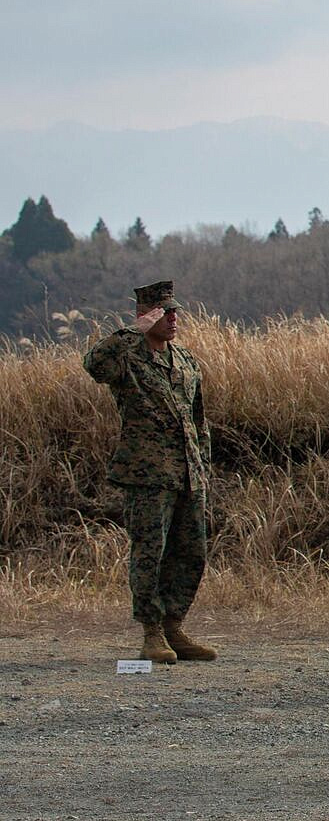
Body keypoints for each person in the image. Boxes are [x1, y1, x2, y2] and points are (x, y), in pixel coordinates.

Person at [82, 280, 217, 664]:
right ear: (145, 314)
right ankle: (152, 632)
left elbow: (198, 420)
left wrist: (203, 466)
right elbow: (94, 365)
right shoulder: (127, 357)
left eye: (175, 311)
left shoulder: (186, 361)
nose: (173, 319)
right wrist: (133, 332)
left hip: (188, 473)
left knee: (192, 552)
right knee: (150, 553)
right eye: (164, 312)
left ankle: (174, 625)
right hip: (147, 475)